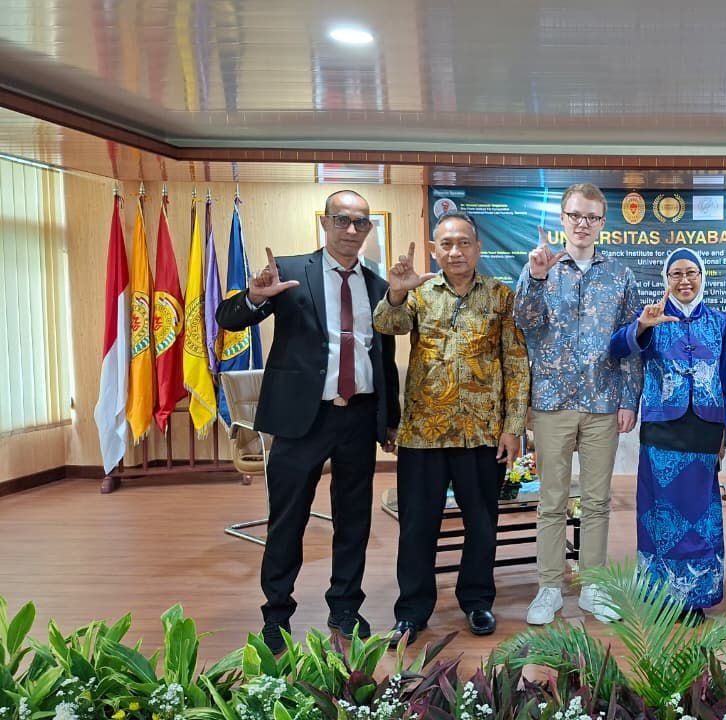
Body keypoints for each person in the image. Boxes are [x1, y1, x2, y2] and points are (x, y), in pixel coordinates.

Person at [216, 189, 399, 655]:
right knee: (287, 521)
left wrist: (389, 420)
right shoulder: (289, 271)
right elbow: (228, 319)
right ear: (325, 222)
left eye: (361, 222)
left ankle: (345, 608)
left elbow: (383, 357)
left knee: (354, 522)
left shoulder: (378, 286)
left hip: (358, 417)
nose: (351, 229)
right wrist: (253, 298)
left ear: (368, 228)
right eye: (342, 220)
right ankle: (276, 614)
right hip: (301, 420)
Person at [372, 211, 529, 643]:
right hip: (423, 433)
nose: (455, 251)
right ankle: (412, 610)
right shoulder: (418, 294)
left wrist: (513, 426)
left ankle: (477, 601)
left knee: (482, 523)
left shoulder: (501, 296)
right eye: (446, 244)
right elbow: (386, 324)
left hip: (482, 433)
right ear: (434, 250)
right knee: (417, 526)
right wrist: (396, 293)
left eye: (463, 243)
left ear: (478, 248)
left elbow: (516, 364)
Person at [514, 183, 642, 625]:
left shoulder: (620, 275)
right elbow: (523, 322)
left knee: (597, 500)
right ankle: (550, 587)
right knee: (551, 500)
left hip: (603, 401)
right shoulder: (541, 267)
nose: (582, 224)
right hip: (552, 401)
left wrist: (629, 399)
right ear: (562, 219)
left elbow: (631, 343)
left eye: (591, 217)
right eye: (575, 215)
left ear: (602, 223)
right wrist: (535, 279)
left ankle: (593, 586)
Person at [608, 248, 726, 625]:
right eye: (676, 274)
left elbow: (724, 378)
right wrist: (641, 326)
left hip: (705, 429)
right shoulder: (652, 317)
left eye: (691, 272)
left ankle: (695, 597)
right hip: (663, 428)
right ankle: (661, 596)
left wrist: (725, 432)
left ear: (702, 276)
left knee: (700, 514)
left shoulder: (718, 322)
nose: (684, 280)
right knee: (660, 514)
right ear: (666, 280)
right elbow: (616, 348)